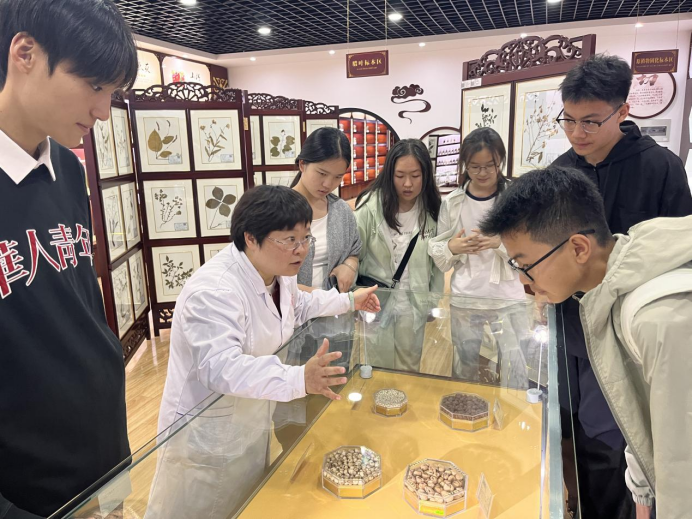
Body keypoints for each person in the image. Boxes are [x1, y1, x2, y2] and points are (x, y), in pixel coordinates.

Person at [146, 186, 380, 519]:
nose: (301, 249)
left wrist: (347, 300)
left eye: (306, 238)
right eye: (289, 240)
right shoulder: (215, 290)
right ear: (251, 238)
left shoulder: (277, 274)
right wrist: (299, 378)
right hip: (206, 438)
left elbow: (298, 305)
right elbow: (220, 368)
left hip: (249, 422)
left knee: (244, 506)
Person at [479, 165, 692, 519]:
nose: (524, 283)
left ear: (579, 248)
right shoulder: (615, 282)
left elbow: (681, 466)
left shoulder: (657, 317)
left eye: (525, 265)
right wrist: (642, 493)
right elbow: (644, 422)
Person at [0, 1, 137, 517]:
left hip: (103, 449)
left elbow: (78, 300)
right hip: (30, 487)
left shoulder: (66, 166)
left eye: (112, 93)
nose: (103, 111)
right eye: (94, 86)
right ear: (26, 54)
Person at [550, 54, 692, 519]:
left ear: (623, 111)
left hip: (629, 332)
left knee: (616, 440)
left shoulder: (660, 168)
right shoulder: (561, 172)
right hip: (569, 324)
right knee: (568, 428)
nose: (577, 133)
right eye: (569, 120)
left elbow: (680, 251)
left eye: (591, 121)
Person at [428, 128, 529, 388]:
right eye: (474, 167)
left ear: (500, 161)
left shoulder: (515, 198)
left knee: (515, 364)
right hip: (466, 296)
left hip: (507, 296)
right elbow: (440, 255)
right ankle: (465, 404)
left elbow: (532, 248)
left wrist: (499, 243)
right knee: (465, 365)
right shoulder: (453, 202)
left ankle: (514, 409)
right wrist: (453, 247)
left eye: (490, 166)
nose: (482, 173)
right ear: (465, 164)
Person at [355, 138, 443, 372]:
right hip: (376, 301)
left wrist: (432, 302)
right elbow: (354, 254)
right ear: (389, 174)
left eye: (415, 175)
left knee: (410, 365)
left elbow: (437, 264)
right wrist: (354, 297)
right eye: (400, 175)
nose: (407, 184)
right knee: (377, 365)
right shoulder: (370, 207)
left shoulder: (433, 210)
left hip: (414, 303)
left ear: (426, 175)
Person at [291, 127, 361, 293]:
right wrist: (321, 300)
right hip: (291, 307)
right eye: (322, 173)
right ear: (302, 164)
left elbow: (354, 251)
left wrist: (349, 266)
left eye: (338, 177)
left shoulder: (341, 211)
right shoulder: (276, 210)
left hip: (335, 306)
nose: (328, 184)